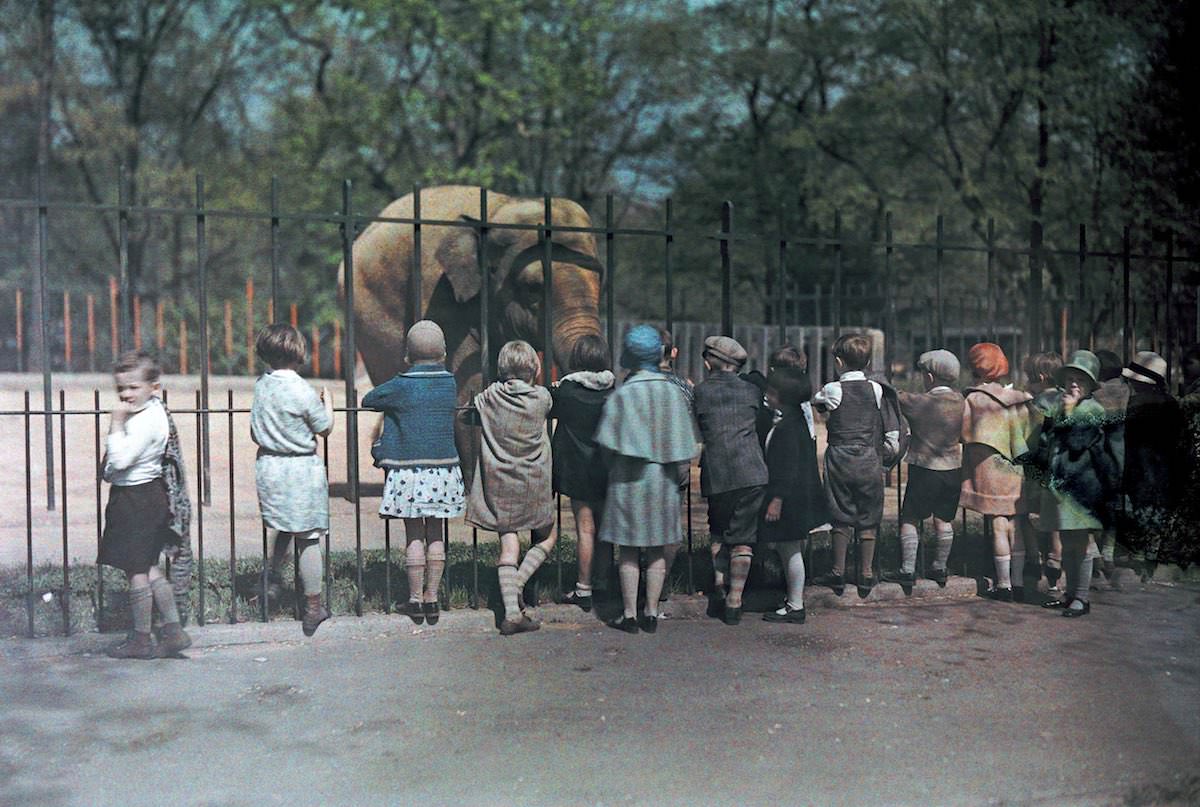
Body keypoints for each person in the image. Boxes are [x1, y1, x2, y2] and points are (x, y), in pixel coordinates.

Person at [593, 325, 697, 633]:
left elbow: (607, 445)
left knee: (627, 549)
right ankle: (651, 611)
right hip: (662, 478)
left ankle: (629, 613)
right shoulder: (672, 393)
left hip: (626, 479)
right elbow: (684, 447)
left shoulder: (622, 395)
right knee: (655, 550)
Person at [362, 320, 462, 626]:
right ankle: (433, 598)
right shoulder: (450, 383)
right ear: (444, 353)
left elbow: (370, 400)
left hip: (409, 473)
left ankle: (415, 599)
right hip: (443, 470)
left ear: (407, 354)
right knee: (436, 534)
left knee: (413, 536)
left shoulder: (402, 384)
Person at [99, 351, 193, 658]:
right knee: (149, 567)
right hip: (142, 496)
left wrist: (115, 424)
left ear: (154, 386)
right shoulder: (151, 412)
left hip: (137, 499)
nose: (125, 395)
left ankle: (141, 639)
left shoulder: (145, 420)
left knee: (135, 569)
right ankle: (173, 631)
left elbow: (121, 460)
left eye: (133, 388)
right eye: (121, 389)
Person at [465, 340, 556, 636]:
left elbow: (470, 409)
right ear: (536, 367)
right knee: (547, 534)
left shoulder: (490, 396)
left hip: (499, 480)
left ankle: (511, 609)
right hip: (533, 481)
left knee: (509, 542)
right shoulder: (541, 398)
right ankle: (516, 587)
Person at [251, 324, 335, 636]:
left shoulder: (262, 386)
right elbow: (324, 427)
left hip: (270, 467)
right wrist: (328, 403)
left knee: (285, 525)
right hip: (300, 470)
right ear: (299, 354)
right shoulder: (301, 390)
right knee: (308, 536)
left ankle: (273, 578)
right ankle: (313, 605)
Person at [811, 333, 900, 598]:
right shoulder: (876, 389)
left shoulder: (832, 389)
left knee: (840, 511)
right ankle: (866, 572)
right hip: (868, 457)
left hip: (840, 458)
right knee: (868, 511)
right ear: (868, 361)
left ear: (838, 362)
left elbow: (818, 401)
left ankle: (837, 571)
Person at [1036, 351, 1122, 616]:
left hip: (1082, 487)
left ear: (1090, 384)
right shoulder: (1058, 405)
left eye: (1080, 380)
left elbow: (1077, 443)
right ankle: (1070, 593)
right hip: (1059, 485)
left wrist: (1069, 411)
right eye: (1070, 378)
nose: (1074, 384)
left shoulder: (1093, 409)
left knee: (1080, 541)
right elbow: (1045, 439)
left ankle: (1081, 598)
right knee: (1066, 539)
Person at [693, 335, 769, 624]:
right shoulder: (751, 392)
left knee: (718, 530)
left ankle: (720, 587)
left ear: (711, 361)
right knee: (744, 538)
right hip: (752, 471)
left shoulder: (700, 392)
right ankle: (736, 599)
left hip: (718, 472)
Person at [960, 343, 1039, 601]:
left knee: (997, 523)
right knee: (1015, 521)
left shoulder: (973, 399)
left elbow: (963, 433)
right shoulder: (1018, 399)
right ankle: (1017, 582)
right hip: (1014, 467)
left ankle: (1003, 584)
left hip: (987, 468)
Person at [884, 349, 963, 591]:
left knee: (910, 517)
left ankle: (907, 569)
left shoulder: (921, 402)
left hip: (925, 468)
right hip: (952, 469)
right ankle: (939, 566)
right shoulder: (961, 401)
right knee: (944, 519)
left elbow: (896, 396)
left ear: (929, 377)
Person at [550, 334, 616, 612]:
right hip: (606, 467)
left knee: (585, 529)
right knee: (605, 529)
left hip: (577, 469)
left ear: (576, 359)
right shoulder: (613, 392)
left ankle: (583, 588)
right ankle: (603, 582)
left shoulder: (565, 392)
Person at [759, 368, 828, 623]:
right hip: (798, 495)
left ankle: (795, 604)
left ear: (779, 396)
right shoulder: (795, 418)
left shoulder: (788, 426)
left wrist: (776, 499)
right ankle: (793, 600)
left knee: (790, 550)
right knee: (791, 549)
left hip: (789, 498)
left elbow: (786, 467)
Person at [1118, 351, 1181, 577]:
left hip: (1145, 466)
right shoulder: (1169, 403)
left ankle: (1145, 557)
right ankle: (1150, 557)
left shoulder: (1137, 404)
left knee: (1144, 511)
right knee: (1153, 513)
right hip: (1157, 467)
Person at [1022, 351, 1066, 597]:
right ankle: (1055, 558)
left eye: (1030, 377)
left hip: (1037, 467)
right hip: (1060, 467)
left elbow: (1030, 435)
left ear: (1040, 377)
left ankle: (1032, 556)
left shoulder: (1037, 403)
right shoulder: (1066, 398)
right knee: (1055, 519)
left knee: (1027, 512)